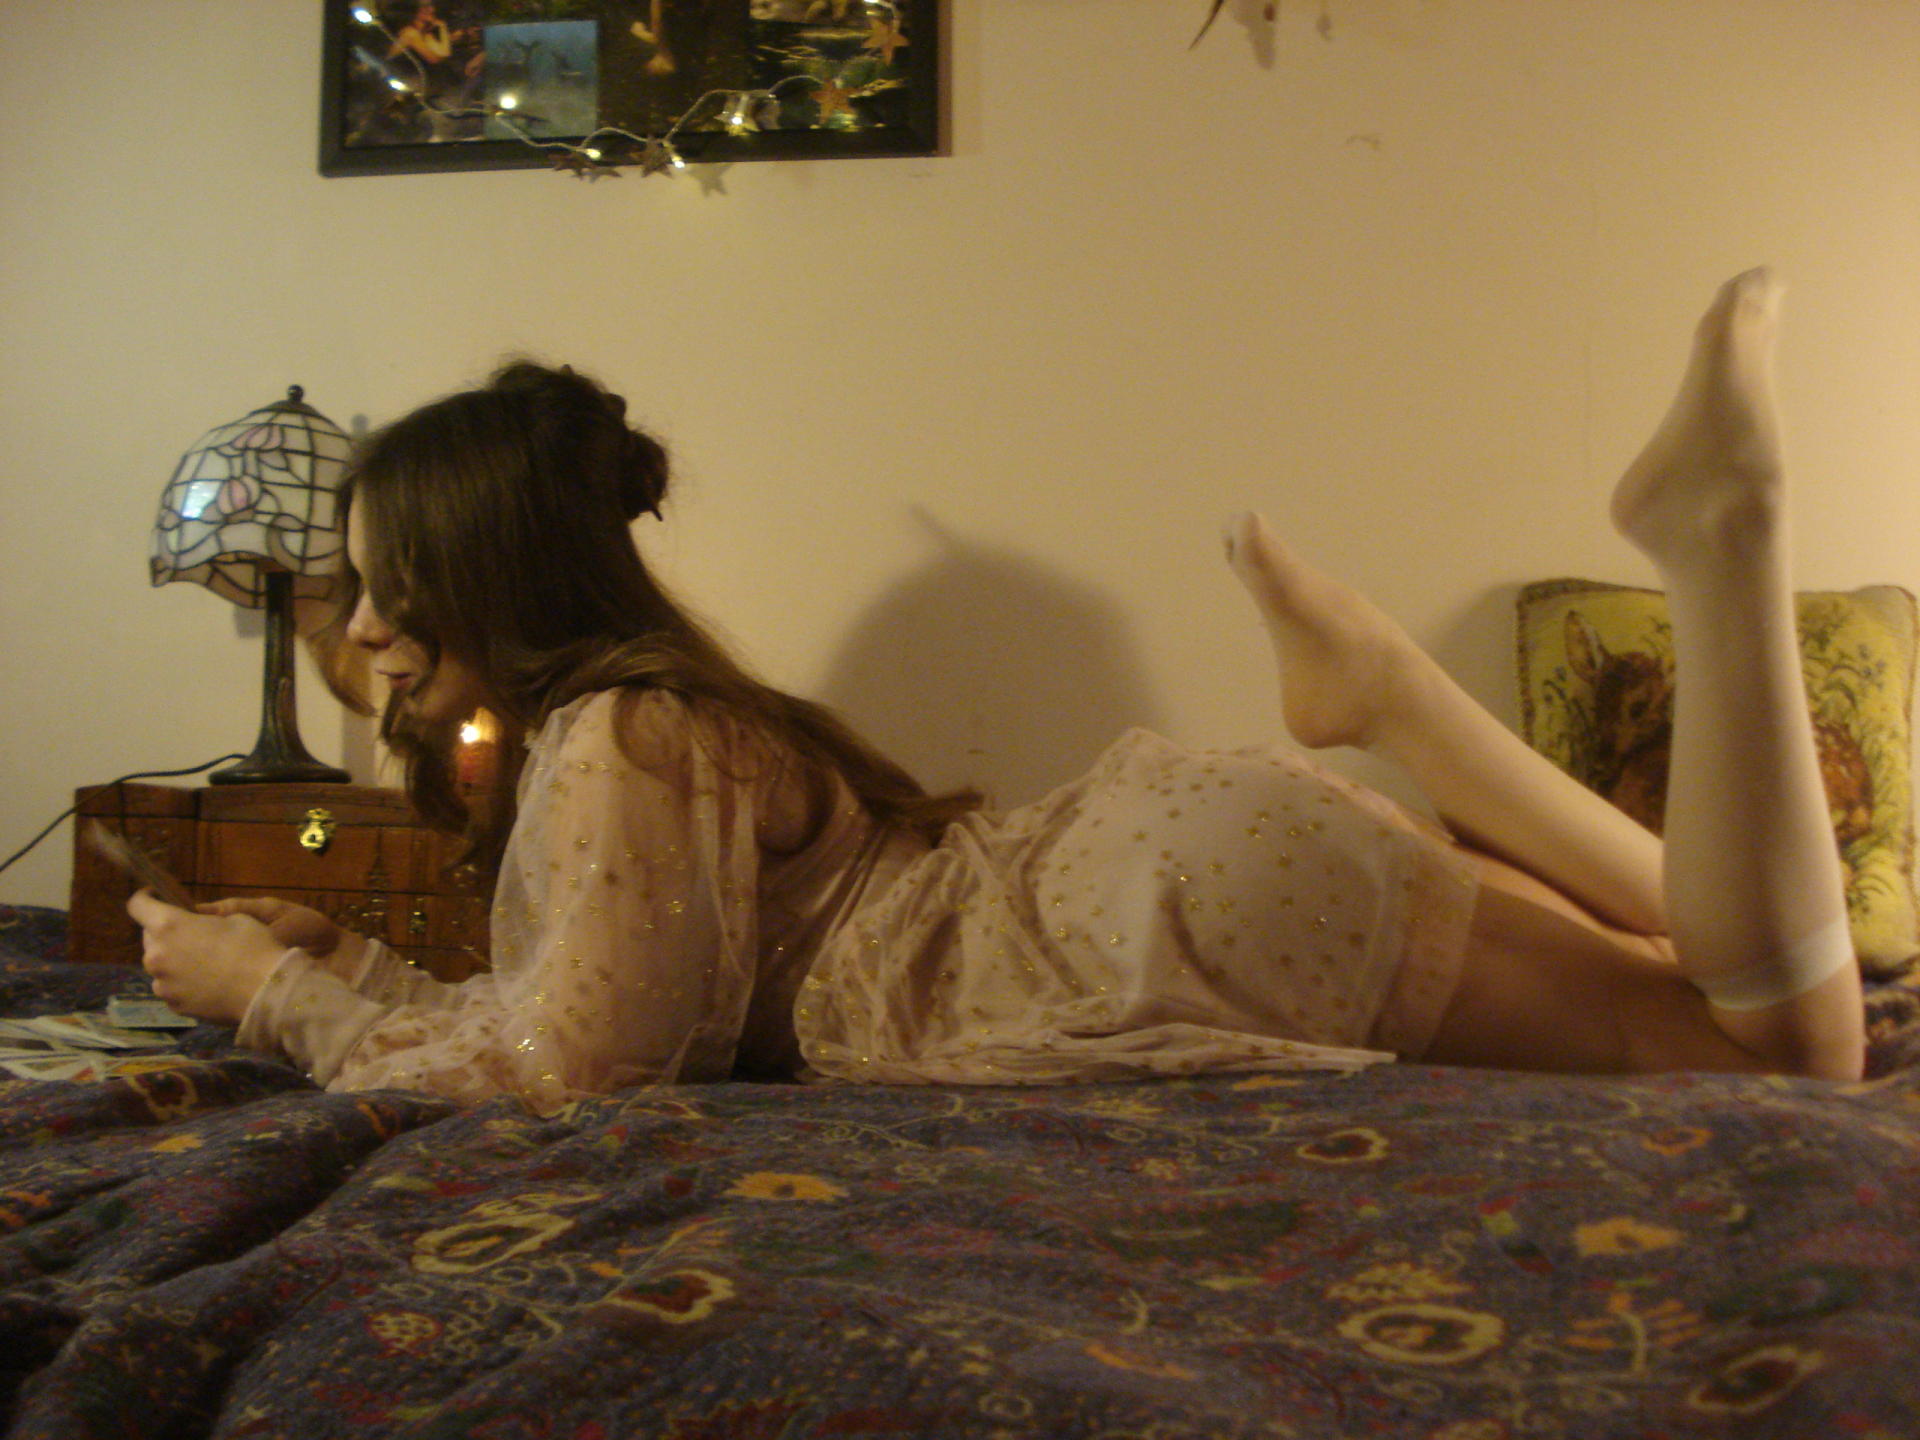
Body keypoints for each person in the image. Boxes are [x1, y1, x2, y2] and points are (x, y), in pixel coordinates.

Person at [129, 270, 1866, 1112]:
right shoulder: (648, 723)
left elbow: (576, 1070)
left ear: (485, 571)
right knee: (1703, 975)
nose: (366, 627)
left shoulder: (620, 738)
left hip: (1149, 921)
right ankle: (1390, 700)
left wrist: (276, 1005)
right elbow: (575, 994)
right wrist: (344, 961)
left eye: (391, 581)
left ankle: (1717, 549)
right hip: (1159, 874)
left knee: (1790, 1060)